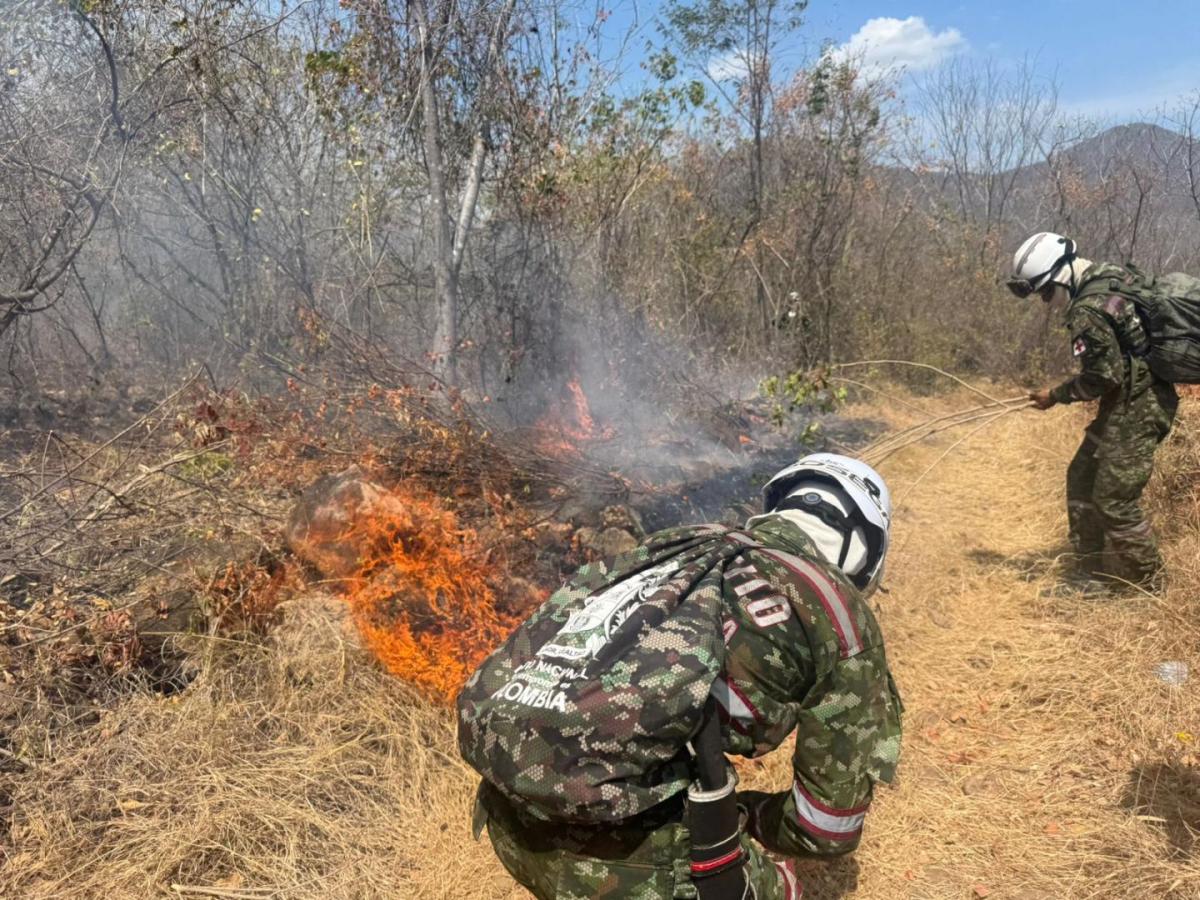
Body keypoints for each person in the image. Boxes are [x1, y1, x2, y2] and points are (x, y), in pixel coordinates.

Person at [459, 453, 903, 899]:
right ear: (866, 552)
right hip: (614, 862)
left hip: (506, 816)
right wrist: (748, 813)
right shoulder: (841, 615)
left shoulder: (682, 546)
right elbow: (826, 829)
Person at [1008, 232, 1178, 594]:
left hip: (1139, 406)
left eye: (1046, 292)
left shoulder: (1086, 310)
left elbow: (1104, 376)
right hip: (1131, 400)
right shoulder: (1108, 275)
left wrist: (1056, 395)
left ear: (1061, 275)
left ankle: (1152, 585)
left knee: (1114, 500)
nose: (1046, 301)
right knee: (1082, 474)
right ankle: (1089, 572)